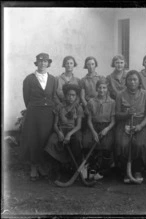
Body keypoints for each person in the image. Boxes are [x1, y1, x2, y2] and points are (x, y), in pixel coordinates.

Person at [22, 53, 57, 181]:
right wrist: (34, 108)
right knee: (34, 139)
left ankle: (43, 165)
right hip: (34, 113)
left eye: (45, 61)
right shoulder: (29, 79)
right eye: (40, 61)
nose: (43, 63)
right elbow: (26, 99)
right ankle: (33, 167)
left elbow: (53, 96)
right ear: (37, 63)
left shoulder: (53, 79)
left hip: (48, 113)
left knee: (45, 138)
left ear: (48, 63)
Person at [115, 70, 146, 183]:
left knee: (139, 144)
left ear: (139, 81)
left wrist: (140, 126)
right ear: (126, 81)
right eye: (130, 79)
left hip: (141, 123)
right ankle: (126, 171)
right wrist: (126, 114)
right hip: (124, 123)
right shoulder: (120, 94)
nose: (132, 82)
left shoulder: (145, 94)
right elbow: (117, 114)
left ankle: (137, 170)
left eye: (135, 79)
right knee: (122, 144)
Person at [44, 84, 83, 179]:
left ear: (76, 96)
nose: (71, 97)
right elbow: (55, 124)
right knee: (52, 141)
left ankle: (74, 168)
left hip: (73, 131)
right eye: (69, 95)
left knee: (77, 141)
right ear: (65, 96)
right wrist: (59, 133)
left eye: (73, 95)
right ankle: (56, 169)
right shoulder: (59, 107)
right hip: (61, 130)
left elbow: (78, 125)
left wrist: (69, 134)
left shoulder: (78, 107)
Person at [82, 78, 116, 180]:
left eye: (104, 88)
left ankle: (103, 169)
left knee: (106, 144)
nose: (102, 90)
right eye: (100, 88)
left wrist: (106, 129)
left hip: (107, 127)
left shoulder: (112, 102)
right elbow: (89, 120)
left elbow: (113, 121)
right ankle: (92, 166)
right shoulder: (91, 102)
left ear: (107, 89)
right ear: (96, 89)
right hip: (93, 126)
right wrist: (93, 132)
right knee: (87, 141)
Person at [80, 56, 105, 131]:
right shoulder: (83, 80)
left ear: (95, 65)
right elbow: (82, 97)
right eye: (88, 64)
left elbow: (105, 93)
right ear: (86, 66)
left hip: (100, 104)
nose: (90, 66)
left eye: (92, 64)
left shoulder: (101, 78)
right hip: (88, 105)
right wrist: (88, 107)